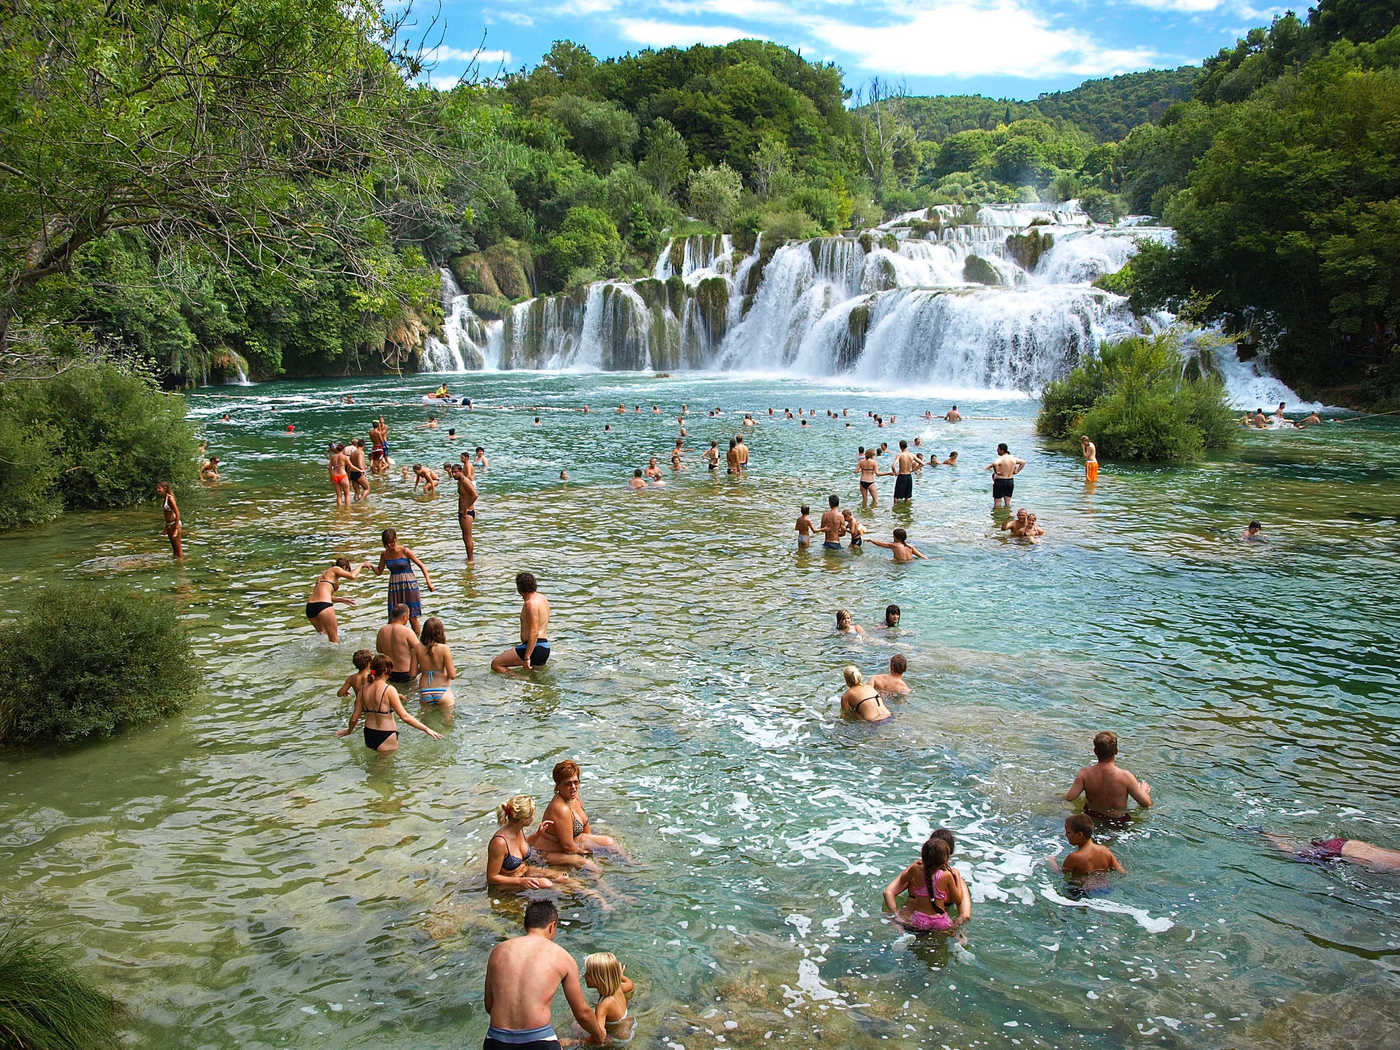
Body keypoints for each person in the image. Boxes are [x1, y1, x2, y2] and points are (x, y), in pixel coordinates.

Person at [483, 900, 604, 1050]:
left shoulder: (498, 951)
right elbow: (582, 1013)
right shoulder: (562, 956)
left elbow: (489, 1005)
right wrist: (598, 1037)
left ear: (525, 925)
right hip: (539, 1041)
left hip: (496, 1041)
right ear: (552, 926)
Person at [488, 796, 600, 901]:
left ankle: (594, 895)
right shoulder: (499, 842)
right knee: (548, 884)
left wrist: (538, 835)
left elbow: (521, 845)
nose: (534, 817)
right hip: (509, 883)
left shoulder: (518, 829)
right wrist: (520, 881)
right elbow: (492, 877)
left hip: (525, 872)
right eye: (532, 815)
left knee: (563, 877)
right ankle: (585, 900)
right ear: (523, 819)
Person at [336, 654, 442, 752]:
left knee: (372, 769)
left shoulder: (364, 689)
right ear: (387, 670)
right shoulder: (389, 689)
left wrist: (349, 731)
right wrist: (426, 729)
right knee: (387, 770)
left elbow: (355, 716)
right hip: (386, 734)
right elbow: (404, 716)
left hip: (368, 732)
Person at [532, 760, 628, 867]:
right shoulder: (560, 808)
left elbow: (586, 827)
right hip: (549, 851)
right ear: (558, 785)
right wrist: (591, 853)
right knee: (607, 846)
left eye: (576, 782)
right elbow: (568, 847)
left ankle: (631, 864)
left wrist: (595, 847)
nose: (573, 787)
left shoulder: (575, 797)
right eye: (568, 783)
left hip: (576, 841)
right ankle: (630, 866)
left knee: (610, 841)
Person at [1063, 731, 1152, 821]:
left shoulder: (1084, 774)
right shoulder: (1125, 776)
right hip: (1117, 821)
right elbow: (1146, 804)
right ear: (1116, 751)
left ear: (1095, 751)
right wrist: (1144, 791)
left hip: (1091, 817)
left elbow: (1069, 798)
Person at [882, 835, 960, 932]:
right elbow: (957, 899)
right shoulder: (947, 875)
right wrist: (957, 879)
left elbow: (903, 879)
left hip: (919, 919)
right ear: (946, 859)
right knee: (945, 940)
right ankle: (959, 937)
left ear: (922, 856)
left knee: (914, 939)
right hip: (940, 921)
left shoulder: (915, 869)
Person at [372, 529, 433, 634]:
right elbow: (379, 571)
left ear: (396, 539)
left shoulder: (405, 551)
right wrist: (369, 566)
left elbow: (421, 565)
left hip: (409, 585)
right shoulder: (384, 554)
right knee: (393, 618)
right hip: (394, 588)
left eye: (392, 543)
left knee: (412, 617)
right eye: (387, 544)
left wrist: (428, 582)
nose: (390, 546)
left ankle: (417, 641)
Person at [492, 571, 550, 673]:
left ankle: (520, 679)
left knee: (496, 664)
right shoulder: (542, 598)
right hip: (544, 647)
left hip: (534, 647)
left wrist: (527, 657)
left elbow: (534, 632)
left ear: (519, 588)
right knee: (534, 679)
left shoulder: (530, 604)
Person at [1260, 832, 1400, 872]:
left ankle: (1265, 832)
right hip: (1339, 853)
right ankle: (1259, 833)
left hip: (1346, 845)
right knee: (1291, 853)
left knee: (1298, 845)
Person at [306, 557, 369, 642]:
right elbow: (352, 576)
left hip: (310, 607)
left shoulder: (323, 576)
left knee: (323, 637)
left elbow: (323, 595)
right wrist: (362, 565)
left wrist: (342, 600)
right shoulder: (335, 569)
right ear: (344, 568)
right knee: (334, 641)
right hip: (323, 606)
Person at [577, 953, 635, 1045]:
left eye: (588, 974)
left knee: (575, 1025)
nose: (584, 976)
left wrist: (575, 1042)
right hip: (629, 1026)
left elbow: (600, 1037)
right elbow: (630, 984)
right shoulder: (618, 987)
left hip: (617, 1039)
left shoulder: (603, 1005)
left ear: (600, 979)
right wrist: (619, 976)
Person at [1052, 813, 1125, 877]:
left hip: (1081, 890)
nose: (1065, 835)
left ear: (1080, 834)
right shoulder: (1105, 850)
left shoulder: (1074, 857)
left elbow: (1060, 875)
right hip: (1106, 889)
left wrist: (1053, 862)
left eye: (1068, 832)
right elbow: (1122, 872)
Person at [416, 616, 456, 711]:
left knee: (425, 724)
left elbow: (412, 673)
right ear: (440, 632)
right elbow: (452, 675)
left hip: (425, 691)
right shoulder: (444, 648)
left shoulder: (417, 648)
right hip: (442, 689)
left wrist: (425, 668)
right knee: (448, 725)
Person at [376, 604, 420, 686]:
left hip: (388, 674)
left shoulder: (382, 630)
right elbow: (420, 651)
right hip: (406, 674)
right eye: (408, 616)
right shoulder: (407, 631)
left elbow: (379, 650)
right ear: (404, 617)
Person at [449, 463, 478, 562]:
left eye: (455, 472)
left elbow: (475, 495)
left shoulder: (465, 481)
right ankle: (469, 558)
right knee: (465, 538)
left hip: (467, 513)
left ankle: (470, 560)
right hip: (463, 513)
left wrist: (465, 508)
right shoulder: (459, 481)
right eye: (452, 472)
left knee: (468, 537)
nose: (453, 474)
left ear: (461, 471)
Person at [986, 443, 1025, 509]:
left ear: (1002, 450)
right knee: (1008, 502)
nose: (997, 451)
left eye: (998, 449)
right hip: (1010, 481)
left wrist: (996, 472)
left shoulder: (1001, 458)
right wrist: (1017, 471)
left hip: (1000, 481)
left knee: (997, 503)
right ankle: (1008, 516)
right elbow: (1023, 462)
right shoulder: (1013, 458)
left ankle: (997, 518)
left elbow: (995, 463)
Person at [155, 482, 184, 560]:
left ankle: (181, 566)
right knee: (174, 548)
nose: (157, 490)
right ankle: (176, 563)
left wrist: (176, 528)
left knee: (178, 548)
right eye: (157, 488)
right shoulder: (164, 499)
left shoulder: (170, 498)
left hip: (174, 524)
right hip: (169, 525)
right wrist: (165, 528)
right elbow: (166, 515)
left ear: (165, 488)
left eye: (159, 488)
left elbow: (177, 513)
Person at [328, 443, 352, 507]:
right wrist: (360, 470)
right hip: (343, 475)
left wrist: (331, 477)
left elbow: (329, 468)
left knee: (339, 495)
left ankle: (339, 510)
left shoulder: (333, 457)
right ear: (343, 449)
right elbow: (351, 466)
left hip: (335, 476)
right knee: (347, 494)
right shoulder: (345, 457)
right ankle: (347, 510)